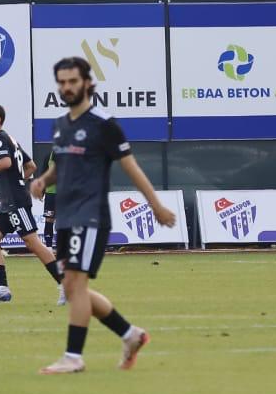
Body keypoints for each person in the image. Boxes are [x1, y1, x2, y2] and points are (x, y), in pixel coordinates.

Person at [30, 57, 176, 375]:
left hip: (90, 215)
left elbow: (131, 167)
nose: (67, 87)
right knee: (71, 289)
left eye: (73, 81)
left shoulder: (104, 124)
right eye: (62, 82)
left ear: (87, 82)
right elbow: (62, 165)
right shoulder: (61, 124)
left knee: (77, 285)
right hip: (67, 216)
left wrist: (156, 206)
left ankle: (73, 356)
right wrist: (44, 180)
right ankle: (130, 334)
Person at [0, 102, 65, 305]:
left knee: (33, 243)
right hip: (8, 203)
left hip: (16, 202)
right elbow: (31, 166)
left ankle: (66, 285)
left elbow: (7, 163)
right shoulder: (9, 138)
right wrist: (19, 182)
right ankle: (2, 289)